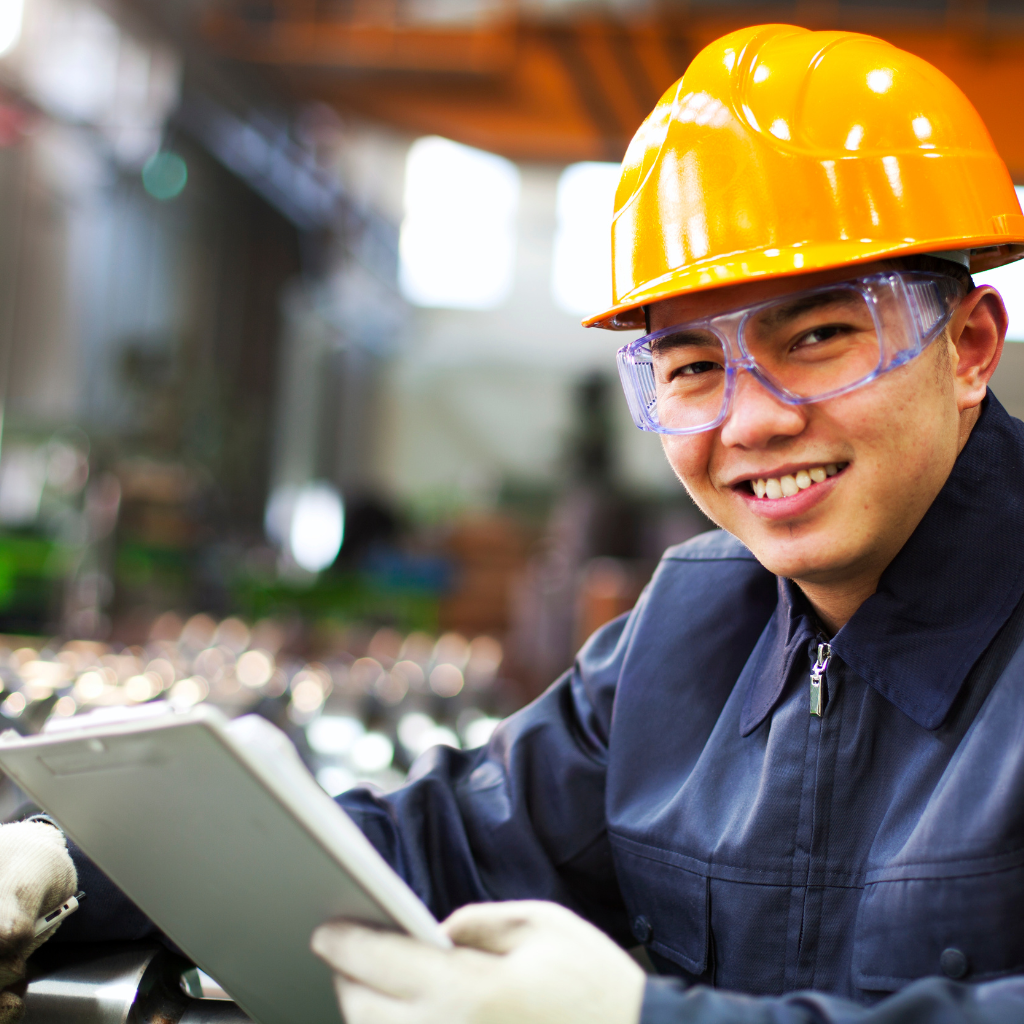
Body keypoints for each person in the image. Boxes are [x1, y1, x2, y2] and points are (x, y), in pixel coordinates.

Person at [5, 21, 1024, 1024]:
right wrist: (75, 865)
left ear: (969, 346)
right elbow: (429, 843)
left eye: (818, 337)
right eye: (691, 368)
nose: (751, 419)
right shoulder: (688, 634)